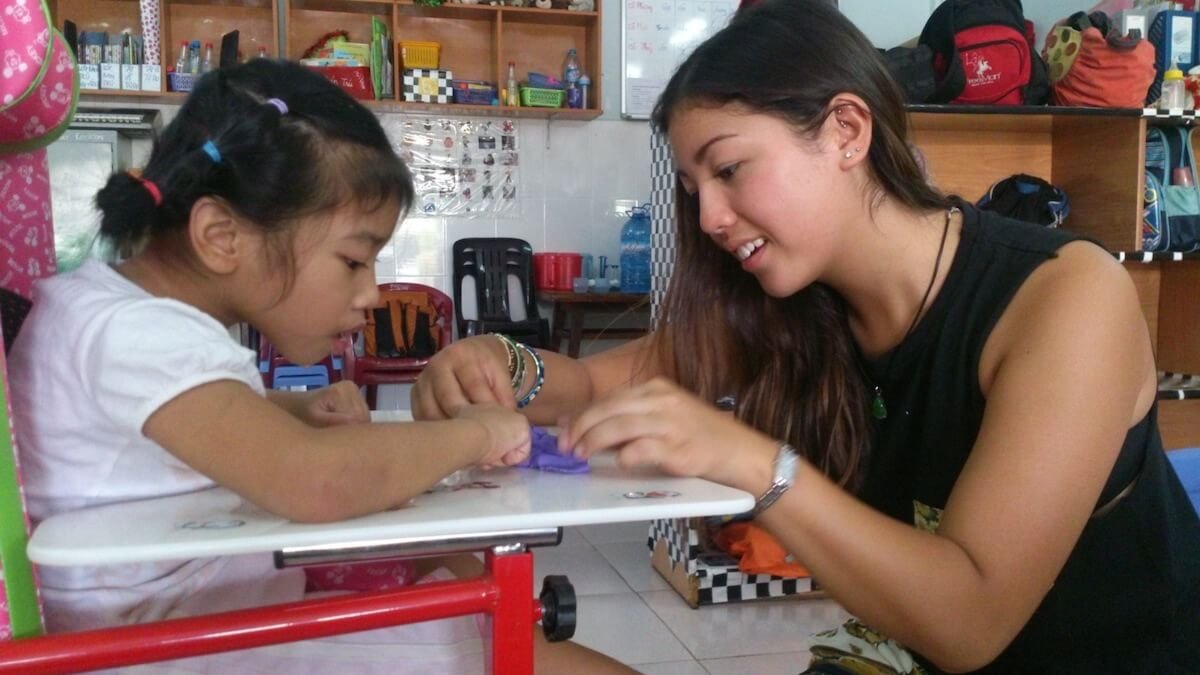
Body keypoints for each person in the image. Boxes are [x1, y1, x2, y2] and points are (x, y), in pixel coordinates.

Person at [412, 1, 1200, 672]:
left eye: (730, 170)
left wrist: (755, 464)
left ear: (846, 130)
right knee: (499, 643)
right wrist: (498, 364)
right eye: (694, 189)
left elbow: (970, 618)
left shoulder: (1061, 299)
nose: (711, 219)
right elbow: (589, 385)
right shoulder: (794, 308)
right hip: (908, 652)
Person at [8, 59, 632, 673]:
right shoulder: (137, 333)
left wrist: (295, 409)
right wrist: (481, 433)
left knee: (456, 568)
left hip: (193, 617)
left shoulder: (110, 309)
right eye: (354, 262)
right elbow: (318, 483)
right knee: (506, 635)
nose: (369, 294)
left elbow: (164, 435)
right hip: (169, 647)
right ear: (222, 237)